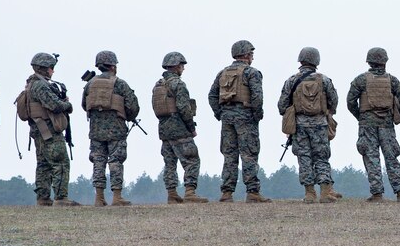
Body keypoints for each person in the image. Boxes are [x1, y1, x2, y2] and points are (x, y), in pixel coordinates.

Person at [208, 40, 270, 203]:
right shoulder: (252, 73)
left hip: (227, 118)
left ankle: (227, 193)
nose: (252, 58)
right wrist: (256, 115)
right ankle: (252, 192)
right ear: (246, 55)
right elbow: (257, 96)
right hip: (246, 117)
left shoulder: (223, 73)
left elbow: (212, 95)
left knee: (229, 155)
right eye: (251, 54)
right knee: (249, 153)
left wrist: (220, 113)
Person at [278, 47, 342, 204]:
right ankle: (326, 191)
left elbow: (282, 105)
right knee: (322, 157)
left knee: (304, 157)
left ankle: (309, 193)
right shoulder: (324, 80)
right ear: (316, 60)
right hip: (320, 123)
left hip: (299, 125)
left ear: (300, 60)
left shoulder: (291, 81)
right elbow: (334, 102)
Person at [347, 47, 400, 202]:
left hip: (367, 125)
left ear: (369, 61)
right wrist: (393, 114)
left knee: (371, 157)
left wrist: (361, 116)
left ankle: (377, 194)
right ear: (385, 61)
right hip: (387, 125)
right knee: (391, 157)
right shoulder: (392, 81)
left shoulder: (360, 80)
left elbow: (350, 102)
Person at [82, 50, 140, 207]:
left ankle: (99, 198)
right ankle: (117, 196)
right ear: (113, 66)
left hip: (95, 131)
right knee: (116, 161)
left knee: (98, 161)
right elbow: (133, 107)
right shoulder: (120, 84)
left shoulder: (89, 84)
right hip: (116, 130)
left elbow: (84, 105)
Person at [21, 52, 78, 206]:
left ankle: (43, 197)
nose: (53, 71)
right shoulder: (40, 85)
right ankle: (61, 198)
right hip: (48, 129)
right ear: (44, 68)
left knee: (43, 164)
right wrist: (67, 104)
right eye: (51, 67)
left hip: (38, 129)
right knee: (60, 162)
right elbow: (55, 105)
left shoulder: (31, 84)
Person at [153, 51, 208, 204]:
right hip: (179, 128)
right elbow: (184, 108)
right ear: (177, 66)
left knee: (169, 162)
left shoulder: (158, 85)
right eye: (182, 66)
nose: (183, 69)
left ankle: (172, 194)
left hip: (164, 129)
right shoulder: (178, 84)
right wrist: (191, 128)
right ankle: (190, 192)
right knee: (192, 159)